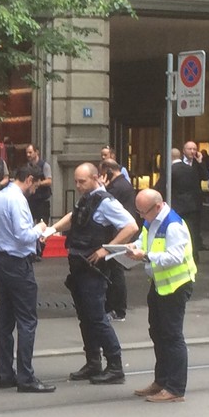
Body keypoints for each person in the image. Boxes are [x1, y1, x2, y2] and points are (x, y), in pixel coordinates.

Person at [51, 163, 139, 385]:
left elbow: (131, 226)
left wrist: (106, 248)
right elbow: (74, 217)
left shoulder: (106, 201)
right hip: (80, 267)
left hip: (94, 269)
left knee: (97, 317)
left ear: (96, 178)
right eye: (76, 181)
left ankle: (115, 366)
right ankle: (93, 363)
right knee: (85, 318)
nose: (78, 186)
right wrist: (52, 230)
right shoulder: (87, 198)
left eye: (82, 181)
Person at [0, 164, 55, 393]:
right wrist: (40, 229)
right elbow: (24, 235)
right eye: (35, 184)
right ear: (29, 179)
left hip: (1, 260)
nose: (35, 189)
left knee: (5, 320)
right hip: (17, 263)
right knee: (27, 321)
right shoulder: (17, 200)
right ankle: (26, 377)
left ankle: (6, 374)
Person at [125, 189, 197, 402]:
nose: (140, 216)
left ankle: (175, 388)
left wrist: (145, 255)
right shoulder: (152, 220)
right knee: (157, 333)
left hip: (176, 286)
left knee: (172, 336)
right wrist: (134, 247)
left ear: (157, 206)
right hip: (159, 284)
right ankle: (162, 381)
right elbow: (144, 240)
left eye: (142, 212)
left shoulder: (173, 225)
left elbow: (174, 257)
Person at [100, 157, 137, 322]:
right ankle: (115, 307)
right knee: (114, 271)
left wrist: (102, 187)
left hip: (118, 234)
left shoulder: (117, 187)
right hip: (119, 232)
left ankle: (118, 309)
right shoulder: (121, 184)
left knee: (116, 272)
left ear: (108, 171)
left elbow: (104, 201)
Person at [154, 142, 204, 262]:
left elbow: (160, 187)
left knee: (176, 231)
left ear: (170, 158)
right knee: (191, 231)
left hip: (176, 205)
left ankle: (179, 253)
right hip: (191, 205)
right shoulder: (190, 169)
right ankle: (193, 255)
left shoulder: (170, 170)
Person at [24, 143, 52, 259]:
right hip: (31, 200)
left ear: (37, 152)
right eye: (27, 153)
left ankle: (40, 251)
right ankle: (32, 251)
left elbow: (49, 181)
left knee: (42, 224)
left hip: (42, 200)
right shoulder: (27, 166)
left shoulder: (45, 165)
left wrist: (38, 183)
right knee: (30, 224)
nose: (28, 155)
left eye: (30, 152)